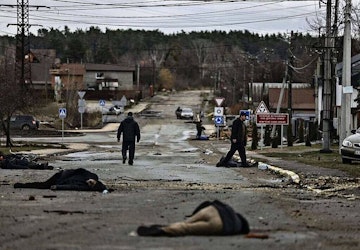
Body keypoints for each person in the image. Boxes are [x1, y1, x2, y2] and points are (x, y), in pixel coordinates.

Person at [137, 200, 250, 236]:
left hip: (212, 209)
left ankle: (174, 225)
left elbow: (208, 203)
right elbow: (226, 231)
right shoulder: (237, 227)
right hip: (219, 224)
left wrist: (194, 214)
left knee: (187, 222)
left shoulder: (230, 210)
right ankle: (164, 230)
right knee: (187, 228)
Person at [14, 168, 110, 192]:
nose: (90, 183)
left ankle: (20, 185)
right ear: (95, 181)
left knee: (43, 186)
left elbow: (72, 187)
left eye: (91, 185)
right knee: (43, 185)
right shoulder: (91, 175)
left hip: (61, 181)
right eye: (92, 183)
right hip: (61, 176)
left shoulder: (86, 187)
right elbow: (79, 170)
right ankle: (21, 185)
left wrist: (58, 187)